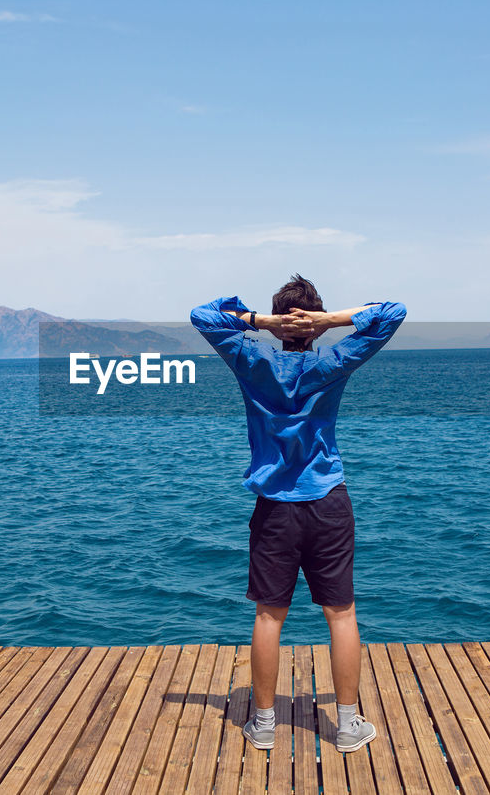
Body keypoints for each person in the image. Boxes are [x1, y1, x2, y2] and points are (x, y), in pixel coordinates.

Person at [189, 275, 406, 753]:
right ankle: (347, 726)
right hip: (328, 502)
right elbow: (393, 311)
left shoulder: (252, 359)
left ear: (278, 323)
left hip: (275, 509)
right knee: (341, 613)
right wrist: (330, 321)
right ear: (315, 324)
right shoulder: (333, 360)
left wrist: (260, 323)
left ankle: (264, 723)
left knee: (270, 616)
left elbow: (203, 315)